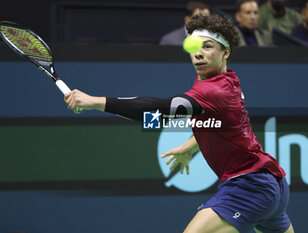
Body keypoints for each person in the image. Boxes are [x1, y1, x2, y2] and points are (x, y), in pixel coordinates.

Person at [65, 14, 294, 233]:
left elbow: (159, 109)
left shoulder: (213, 91)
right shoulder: (226, 79)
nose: (199, 54)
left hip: (249, 186)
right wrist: (190, 146)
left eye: (208, 46)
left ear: (226, 52)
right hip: (274, 184)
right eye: (194, 47)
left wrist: (94, 102)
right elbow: (218, 124)